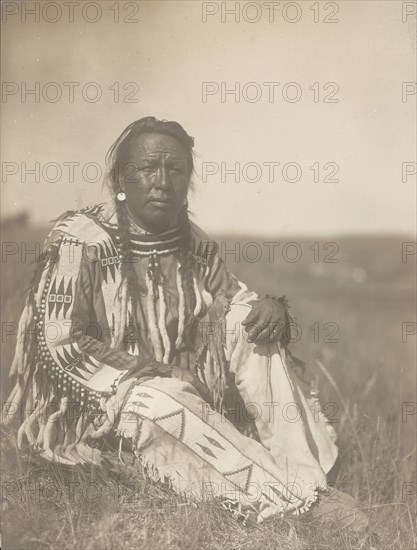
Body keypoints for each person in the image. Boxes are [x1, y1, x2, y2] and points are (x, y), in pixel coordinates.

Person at [2, 117, 370, 534]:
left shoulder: (192, 240)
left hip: (186, 391)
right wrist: (154, 374)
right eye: (148, 168)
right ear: (121, 178)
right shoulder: (78, 240)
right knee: (160, 399)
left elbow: (231, 300)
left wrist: (269, 308)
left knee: (251, 329)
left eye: (175, 170)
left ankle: (307, 479)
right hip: (99, 409)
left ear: (188, 181)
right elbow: (59, 343)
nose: (162, 181)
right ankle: (293, 505)